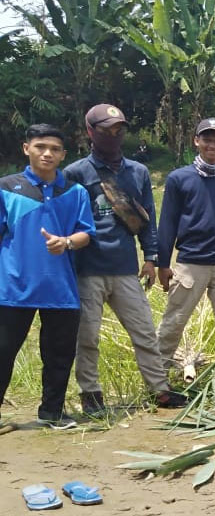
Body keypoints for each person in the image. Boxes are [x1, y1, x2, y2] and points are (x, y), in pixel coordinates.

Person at [63, 104, 187, 416]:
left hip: (124, 267)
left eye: (119, 129)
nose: (114, 135)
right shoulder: (76, 173)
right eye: (106, 130)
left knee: (144, 331)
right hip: (87, 268)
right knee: (87, 336)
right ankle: (90, 394)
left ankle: (160, 389)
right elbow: (65, 220)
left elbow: (148, 218)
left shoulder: (138, 172)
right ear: (91, 132)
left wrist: (151, 257)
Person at [0, 124, 95, 429]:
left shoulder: (74, 191)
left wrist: (66, 242)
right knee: (3, 351)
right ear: (26, 148)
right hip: (13, 287)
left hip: (61, 287)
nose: (47, 154)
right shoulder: (5, 188)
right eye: (40, 146)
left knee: (59, 354)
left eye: (55, 149)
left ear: (63, 155)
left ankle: (52, 412)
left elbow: (86, 234)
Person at [155, 118, 215, 382]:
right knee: (173, 323)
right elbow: (167, 222)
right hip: (191, 262)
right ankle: (156, 380)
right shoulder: (179, 179)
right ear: (196, 141)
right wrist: (162, 263)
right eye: (207, 139)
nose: (212, 145)